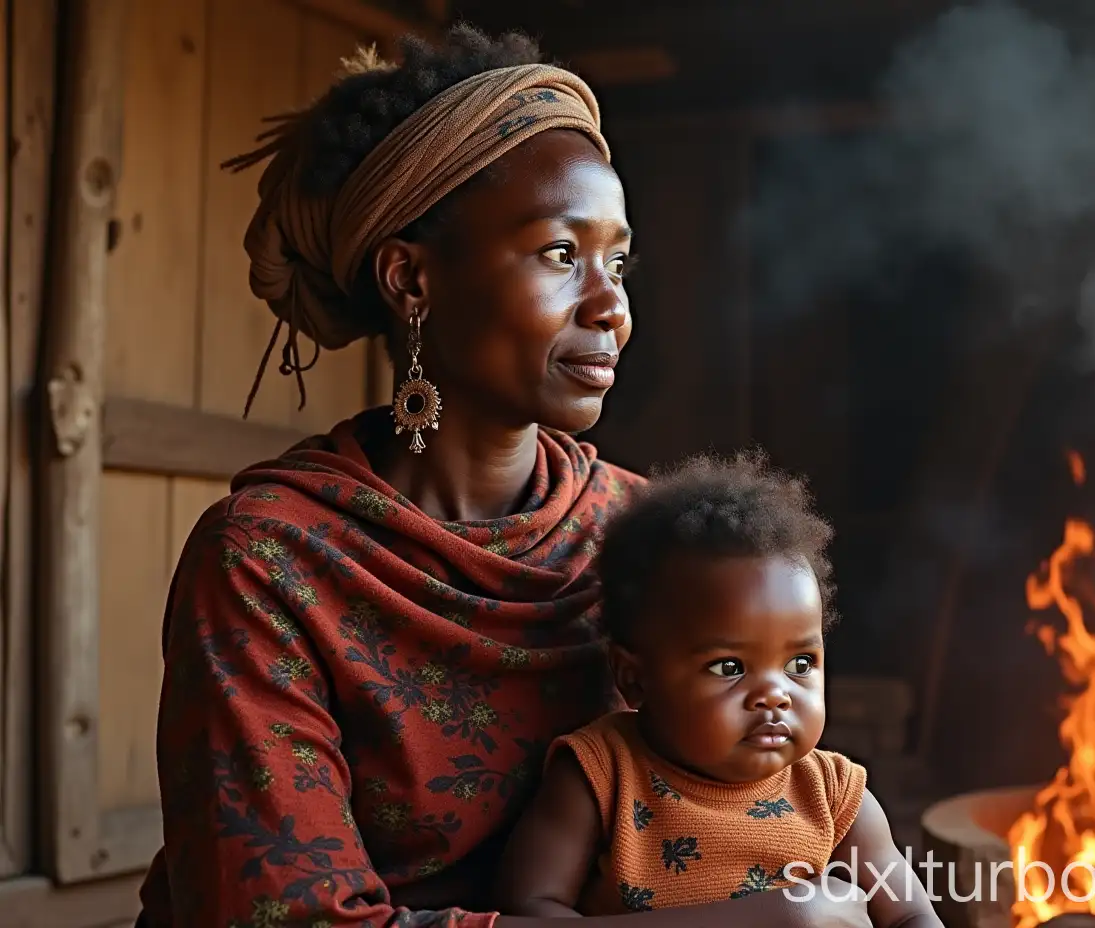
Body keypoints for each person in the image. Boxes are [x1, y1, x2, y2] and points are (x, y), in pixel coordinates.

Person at [134, 24, 877, 928]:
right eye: (562, 255)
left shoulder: (642, 535)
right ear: (412, 280)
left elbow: (759, 805)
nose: (611, 307)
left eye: (618, 261)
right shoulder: (267, 564)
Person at [494, 454, 942, 926]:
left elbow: (909, 915)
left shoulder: (834, 794)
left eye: (800, 663)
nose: (775, 694)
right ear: (634, 678)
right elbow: (528, 910)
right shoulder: (601, 775)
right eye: (729, 666)